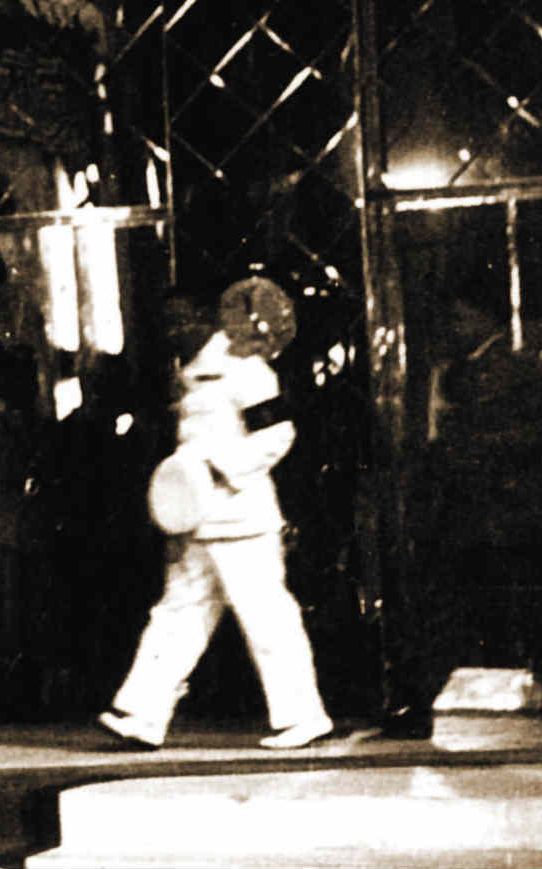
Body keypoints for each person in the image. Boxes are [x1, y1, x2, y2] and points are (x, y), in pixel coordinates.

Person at [98, 293, 333, 752]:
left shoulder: (245, 368)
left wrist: (217, 470)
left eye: (182, 317)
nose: (173, 329)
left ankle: (304, 716)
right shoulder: (192, 373)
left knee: (266, 618)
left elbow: (277, 434)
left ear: (207, 318)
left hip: (241, 518)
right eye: (167, 321)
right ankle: (145, 713)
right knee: (177, 615)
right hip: (196, 521)